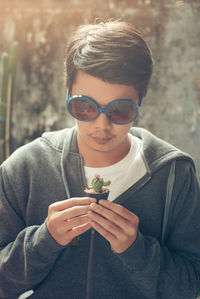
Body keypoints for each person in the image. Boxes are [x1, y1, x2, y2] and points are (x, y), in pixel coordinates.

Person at [0, 20, 200, 299]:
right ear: (67, 93)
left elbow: (191, 285)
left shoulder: (174, 174)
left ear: (140, 100)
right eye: (84, 106)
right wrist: (45, 241)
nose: (101, 125)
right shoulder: (25, 168)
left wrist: (137, 251)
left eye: (120, 110)